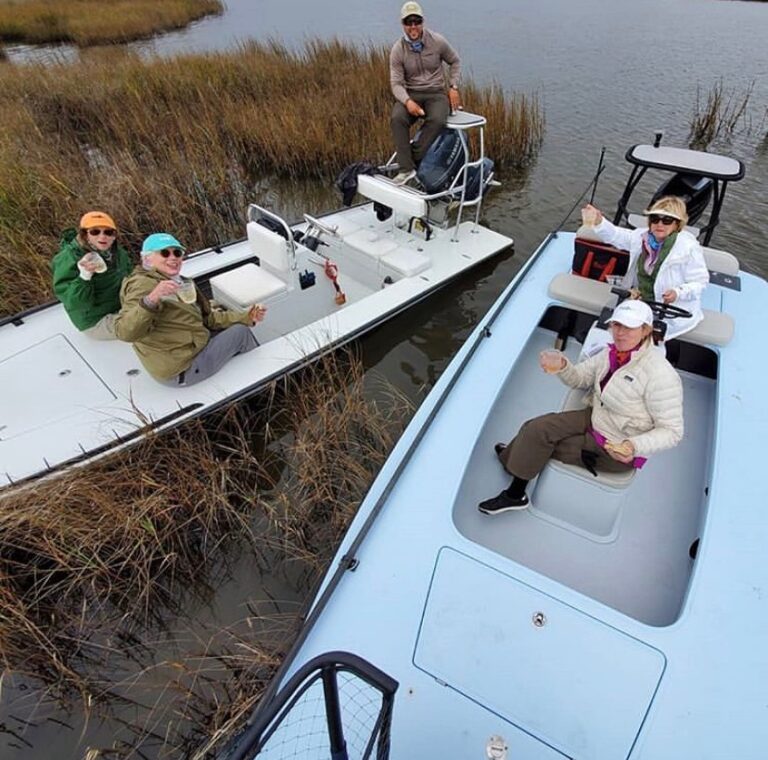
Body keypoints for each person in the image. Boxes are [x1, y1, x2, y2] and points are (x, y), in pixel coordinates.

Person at [478, 300, 683, 515]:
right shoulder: (611, 353)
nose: (620, 333)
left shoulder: (661, 375)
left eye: (629, 327)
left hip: (616, 446)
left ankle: (515, 494)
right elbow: (579, 379)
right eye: (616, 325)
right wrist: (563, 367)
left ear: (645, 330)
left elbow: (672, 431)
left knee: (540, 444)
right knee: (535, 428)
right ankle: (513, 458)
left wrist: (633, 446)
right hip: (597, 416)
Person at [114, 232, 266, 387]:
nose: (173, 258)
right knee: (240, 332)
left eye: (177, 253)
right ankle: (264, 380)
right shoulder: (142, 285)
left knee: (235, 323)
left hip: (190, 344)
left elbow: (208, 318)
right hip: (182, 368)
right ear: (147, 259)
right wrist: (152, 298)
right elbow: (125, 332)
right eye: (165, 253)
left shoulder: (182, 282)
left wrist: (247, 316)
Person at [582, 196, 709, 341]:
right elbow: (615, 235)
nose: (659, 224)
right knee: (616, 332)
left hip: (670, 312)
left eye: (667, 220)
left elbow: (700, 283)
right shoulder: (640, 237)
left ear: (677, 224)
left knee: (642, 339)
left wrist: (677, 293)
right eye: (655, 219)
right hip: (640, 301)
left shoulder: (689, 247)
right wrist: (599, 221)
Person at [389, 1, 461, 184]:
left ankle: (412, 157)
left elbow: (455, 61)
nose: (413, 26)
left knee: (437, 119)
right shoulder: (398, 50)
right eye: (408, 22)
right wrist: (407, 102)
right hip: (412, 93)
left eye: (417, 21)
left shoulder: (437, 41)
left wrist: (453, 87)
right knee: (397, 118)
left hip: (436, 93)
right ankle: (406, 170)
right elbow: (396, 84)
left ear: (423, 22)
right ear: (403, 24)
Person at [51, 211, 133, 339]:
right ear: (85, 235)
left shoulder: (117, 251)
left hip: (122, 305)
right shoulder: (69, 258)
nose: (103, 236)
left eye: (108, 232)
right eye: (95, 232)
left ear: (114, 235)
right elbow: (75, 304)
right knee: (142, 325)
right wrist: (84, 277)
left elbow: (130, 275)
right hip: (95, 320)